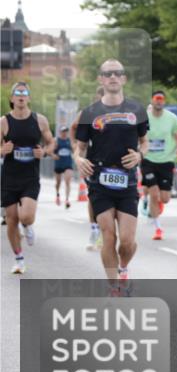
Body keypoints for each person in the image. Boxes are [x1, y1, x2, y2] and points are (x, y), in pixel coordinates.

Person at [74, 60, 149, 295]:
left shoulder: (137, 110)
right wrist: (79, 160)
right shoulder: (90, 113)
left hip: (126, 181)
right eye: (108, 74)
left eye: (118, 73)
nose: (113, 77)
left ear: (124, 79)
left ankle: (123, 269)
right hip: (99, 181)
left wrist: (139, 155)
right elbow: (80, 147)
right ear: (101, 80)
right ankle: (113, 286)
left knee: (127, 241)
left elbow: (144, 142)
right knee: (109, 235)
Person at [2, 82, 55, 274]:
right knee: (11, 220)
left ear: (29, 98)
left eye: (25, 93)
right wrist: (2, 150)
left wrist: (45, 152)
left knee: (26, 216)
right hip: (9, 178)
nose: (21, 96)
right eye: (17, 93)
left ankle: (28, 226)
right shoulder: (3, 122)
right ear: (12, 98)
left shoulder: (39, 120)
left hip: (30, 177)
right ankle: (19, 259)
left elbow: (50, 143)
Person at [140, 90, 177, 240]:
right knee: (154, 193)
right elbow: (138, 136)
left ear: (164, 101)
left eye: (161, 99)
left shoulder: (172, 118)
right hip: (148, 159)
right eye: (156, 99)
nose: (159, 101)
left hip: (166, 160)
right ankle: (158, 228)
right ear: (152, 101)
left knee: (165, 198)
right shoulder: (144, 118)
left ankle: (156, 206)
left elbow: (176, 137)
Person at [73, 84, 106, 250]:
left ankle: (105, 231)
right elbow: (73, 128)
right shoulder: (88, 113)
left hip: (116, 165)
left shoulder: (120, 113)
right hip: (93, 162)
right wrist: (78, 150)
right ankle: (95, 229)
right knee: (93, 197)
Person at [53, 126, 74, 208]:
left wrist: (76, 155)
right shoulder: (56, 140)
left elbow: (75, 150)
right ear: (60, 132)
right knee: (58, 182)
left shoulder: (70, 141)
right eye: (63, 131)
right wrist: (53, 155)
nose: (64, 133)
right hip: (58, 164)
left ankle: (67, 199)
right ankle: (57, 195)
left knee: (67, 181)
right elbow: (51, 151)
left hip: (68, 164)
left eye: (66, 131)